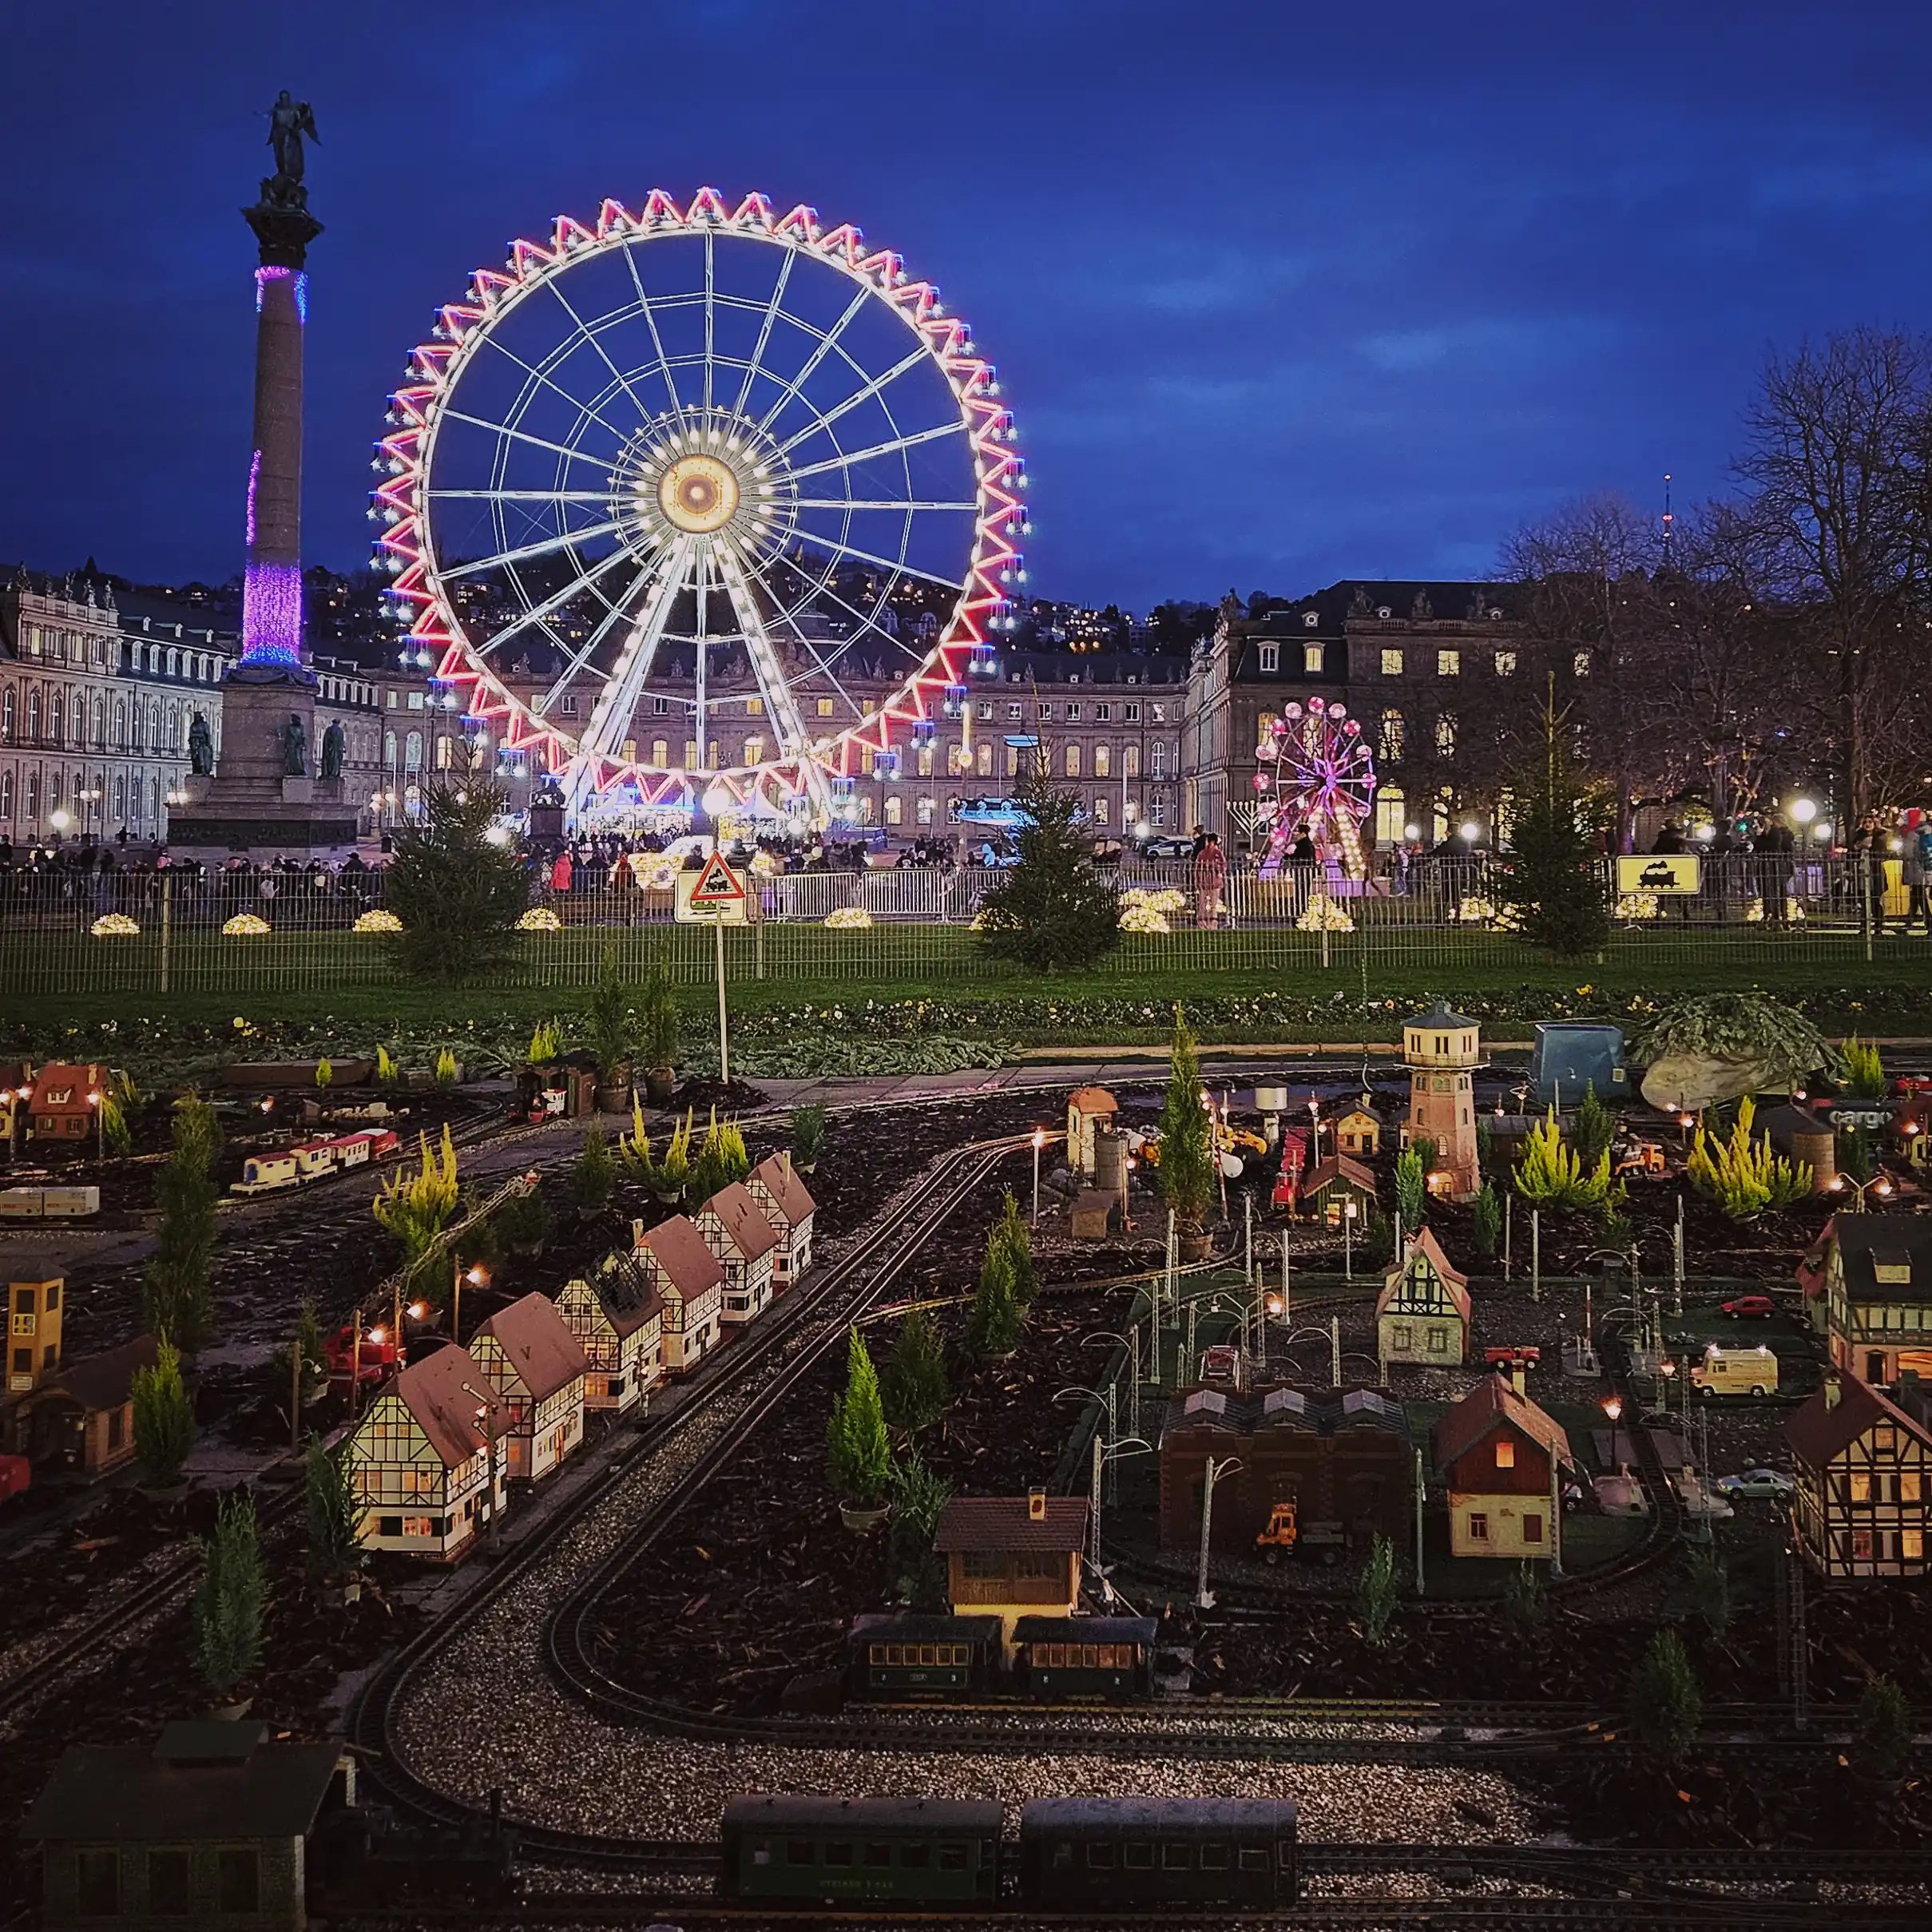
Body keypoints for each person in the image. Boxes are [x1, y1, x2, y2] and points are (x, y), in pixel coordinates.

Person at [1755, 813, 1795, 927]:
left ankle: (1778, 916)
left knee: (1777, 892)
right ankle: (1775, 915)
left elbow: (1772, 846)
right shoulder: (1773, 833)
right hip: (1774, 865)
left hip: (1777, 866)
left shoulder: (1779, 833)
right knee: (1772, 892)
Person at [1192, 831, 1228, 930]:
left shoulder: (1203, 853)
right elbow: (1223, 866)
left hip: (1204, 882)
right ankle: (1212, 924)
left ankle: (1203, 923)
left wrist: (1197, 879)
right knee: (1213, 904)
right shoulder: (1217, 853)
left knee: (1202, 904)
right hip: (1214, 882)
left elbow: (1197, 868)